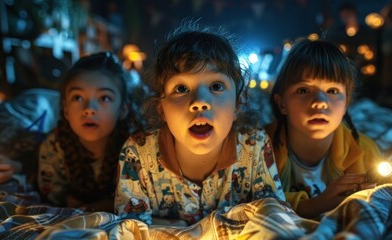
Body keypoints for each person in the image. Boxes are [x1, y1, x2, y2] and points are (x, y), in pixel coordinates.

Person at [114, 21, 285, 226]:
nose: (200, 103)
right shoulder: (138, 153)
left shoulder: (254, 146)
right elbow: (130, 229)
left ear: (238, 104)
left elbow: (273, 218)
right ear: (162, 109)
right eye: (181, 89)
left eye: (216, 85)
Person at [268, 39, 389, 219]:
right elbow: (251, 202)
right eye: (303, 90)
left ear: (346, 103)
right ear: (281, 103)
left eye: (332, 91)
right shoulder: (257, 150)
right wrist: (312, 206)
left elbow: (389, 199)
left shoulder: (366, 151)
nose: (320, 103)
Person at [38, 51, 132, 212]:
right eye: (77, 98)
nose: (89, 110)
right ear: (66, 109)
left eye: (104, 98)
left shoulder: (138, 148)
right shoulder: (54, 146)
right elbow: (52, 194)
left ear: (123, 108)